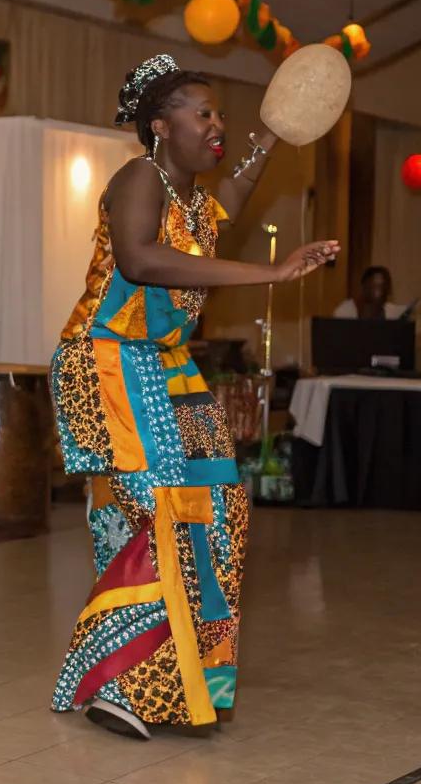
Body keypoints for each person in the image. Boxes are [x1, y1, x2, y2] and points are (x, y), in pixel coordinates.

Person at [50, 55, 338, 740]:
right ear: (159, 125)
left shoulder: (196, 204)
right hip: (110, 360)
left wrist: (272, 132)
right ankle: (117, 680)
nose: (217, 125)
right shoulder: (139, 179)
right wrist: (269, 271)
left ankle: (179, 681)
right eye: (202, 113)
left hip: (170, 364)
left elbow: (235, 191)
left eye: (219, 115)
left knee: (221, 506)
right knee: (159, 510)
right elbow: (140, 260)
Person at [333, 266, 406, 321]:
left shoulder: (394, 313)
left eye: (383, 287)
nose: (379, 293)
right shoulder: (344, 312)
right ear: (363, 288)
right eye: (374, 287)